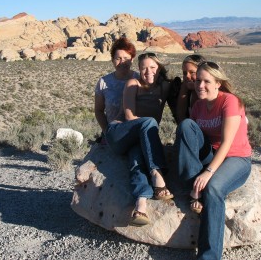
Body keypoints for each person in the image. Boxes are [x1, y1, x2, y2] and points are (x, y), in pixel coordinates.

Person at [175, 60, 252, 260]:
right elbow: (192, 137)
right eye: (198, 80)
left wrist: (207, 173)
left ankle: (209, 256)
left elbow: (226, 143)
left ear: (218, 82)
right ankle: (193, 188)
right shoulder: (199, 106)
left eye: (207, 81)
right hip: (211, 154)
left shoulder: (229, 101)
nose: (201, 85)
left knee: (214, 188)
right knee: (185, 126)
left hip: (236, 158)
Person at [105, 51, 176, 227]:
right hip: (119, 133)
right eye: (144, 68)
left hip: (138, 139)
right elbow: (129, 116)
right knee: (149, 123)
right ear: (138, 69)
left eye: (153, 67)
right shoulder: (133, 83)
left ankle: (141, 204)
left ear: (159, 68)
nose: (148, 72)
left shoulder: (165, 86)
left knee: (137, 158)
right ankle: (156, 173)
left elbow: (180, 108)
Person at [94, 37, 139, 141]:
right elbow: (99, 111)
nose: (122, 62)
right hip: (113, 133)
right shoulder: (103, 82)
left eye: (126, 58)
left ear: (132, 59)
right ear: (112, 60)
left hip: (136, 132)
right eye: (118, 58)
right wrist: (107, 133)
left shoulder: (139, 79)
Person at [176, 54, 207, 123]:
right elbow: (181, 119)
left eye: (192, 72)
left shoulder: (211, 94)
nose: (187, 76)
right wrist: (183, 89)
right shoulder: (188, 92)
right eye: (184, 73)